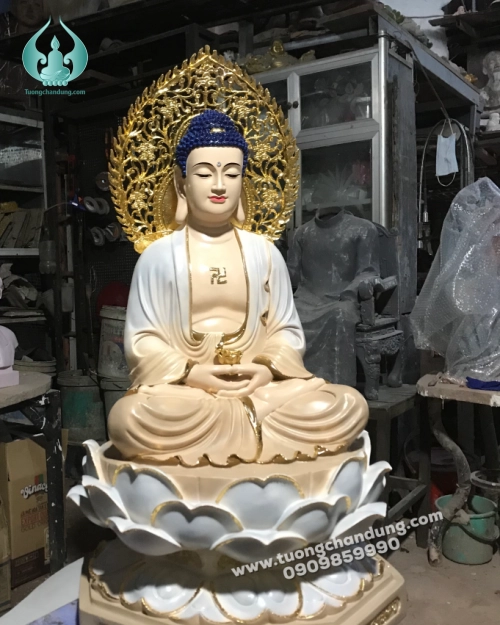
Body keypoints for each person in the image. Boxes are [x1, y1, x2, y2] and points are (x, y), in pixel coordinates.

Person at [107, 110, 368, 466]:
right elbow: (142, 340)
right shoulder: (158, 257)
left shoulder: (265, 254)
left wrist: (264, 370)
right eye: (204, 173)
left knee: (348, 405)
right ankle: (250, 435)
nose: (219, 185)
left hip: (262, 391)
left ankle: (231, 434)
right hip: (187, 394)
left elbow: (287, 331)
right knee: (129, 419)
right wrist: (193, 373)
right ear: (181, 182)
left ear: (243, 181)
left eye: (231, 173)